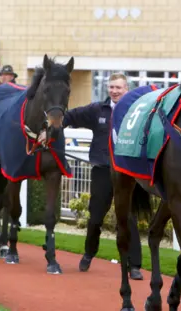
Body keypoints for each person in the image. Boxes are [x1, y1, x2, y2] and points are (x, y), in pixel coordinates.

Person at [62, 73, 143, 280]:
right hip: (102, 171)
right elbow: (68, 117)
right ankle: (89, 253)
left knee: (128, 219)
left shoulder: (136, 112)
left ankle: (134, 266)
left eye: (119, 88)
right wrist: (51, 124)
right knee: (95, 218)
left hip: (127, 174)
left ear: (127, 90)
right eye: (112, 87)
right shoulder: (97, 110)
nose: (115, 91)